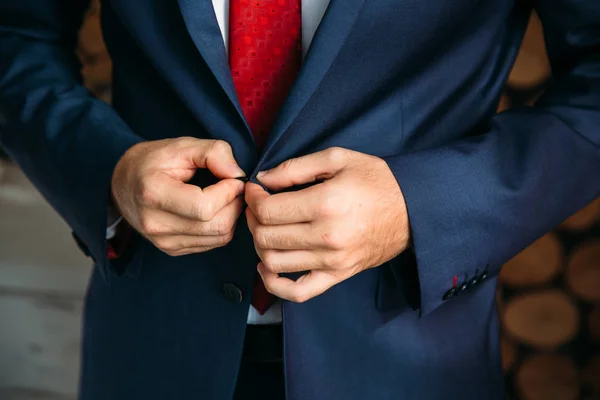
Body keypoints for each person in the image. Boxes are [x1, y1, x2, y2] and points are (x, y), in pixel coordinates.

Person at [1, 0, 598, 398]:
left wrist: (416, 207)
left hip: (404, 360)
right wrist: (110, 171)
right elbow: (14, 34)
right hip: (151, 350)